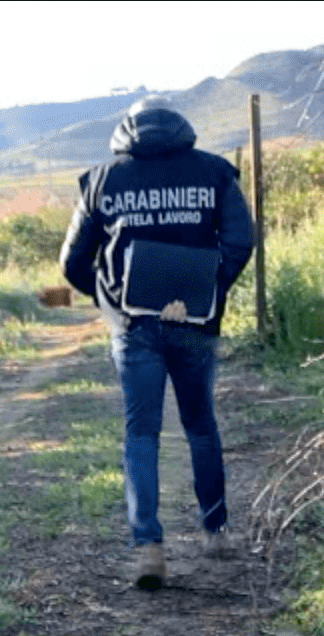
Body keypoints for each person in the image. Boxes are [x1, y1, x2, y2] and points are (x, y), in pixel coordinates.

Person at [60, 97, 255, 590]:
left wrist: (112, 303)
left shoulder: (103, 180)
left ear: (127, 131)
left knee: (141, 433)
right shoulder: (214, 173)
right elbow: (240, 241)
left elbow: (73, 263)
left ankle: (148, 546)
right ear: (181, 127)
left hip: (133, 326)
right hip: (195, 324)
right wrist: (203, 293)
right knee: (200, 426)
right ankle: (215, 529)